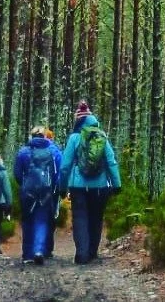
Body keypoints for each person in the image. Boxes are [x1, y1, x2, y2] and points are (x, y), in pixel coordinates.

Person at [59, 102, 121, 264]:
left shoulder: (74, 138)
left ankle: (81, 254)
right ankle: (92, 252)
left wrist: (62, 187)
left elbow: (65, 165)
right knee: (96, 218)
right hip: (100, 186)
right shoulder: (102, 136)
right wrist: (116, 183)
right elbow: (111, 161)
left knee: (80, 218)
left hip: (78, 186)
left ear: (78, 121)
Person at [13, 125, 62, 265]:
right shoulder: (53, 151)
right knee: (42, 220)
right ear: (45, 136)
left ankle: (27, 254)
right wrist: (54, 189)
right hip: (46, 192)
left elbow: (17, 174)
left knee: (27, 220)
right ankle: (39, 250)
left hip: (28, 192)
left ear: (32, 136)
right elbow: (59, 173)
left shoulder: (23, 152)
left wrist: (24, 185)